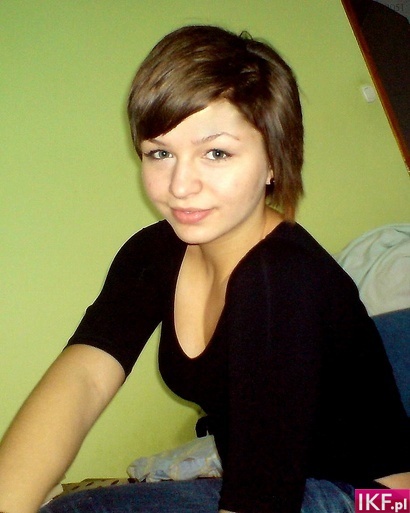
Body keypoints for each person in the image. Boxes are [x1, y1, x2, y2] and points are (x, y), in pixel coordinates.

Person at [0, 24, 408, 513]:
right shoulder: (154, 252)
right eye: (160, 153)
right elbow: (84, 379)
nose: (180, 185)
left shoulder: (283, 281)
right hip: (286, 480)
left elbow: (262, 498)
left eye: (216, 152)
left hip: (376, 500)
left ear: (274, 160)